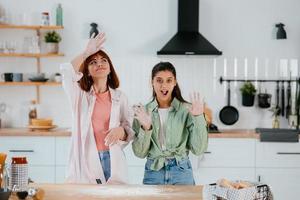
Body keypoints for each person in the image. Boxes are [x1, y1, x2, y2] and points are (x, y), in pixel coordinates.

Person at [60, 33, 133, 184]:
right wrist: (86, 53)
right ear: (87, 71)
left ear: (109, 68)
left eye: (103, 60)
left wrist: (122, 131)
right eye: (93, 62)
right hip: (87, 160)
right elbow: (67, 72)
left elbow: (130, 129)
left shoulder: (120, 97)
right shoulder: (79, 96)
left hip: (113, 160)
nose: (99, 64)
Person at [132, 61, 208, 185]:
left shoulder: (187, 110)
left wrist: (199, 117)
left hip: (181, 172)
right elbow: (140, 153)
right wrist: (146, 128)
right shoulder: (143, 112)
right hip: (154, 172)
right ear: (152, 82)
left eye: (169, 80)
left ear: (175, 82)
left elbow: (199, 150)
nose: (164, 86)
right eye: (159, 80)